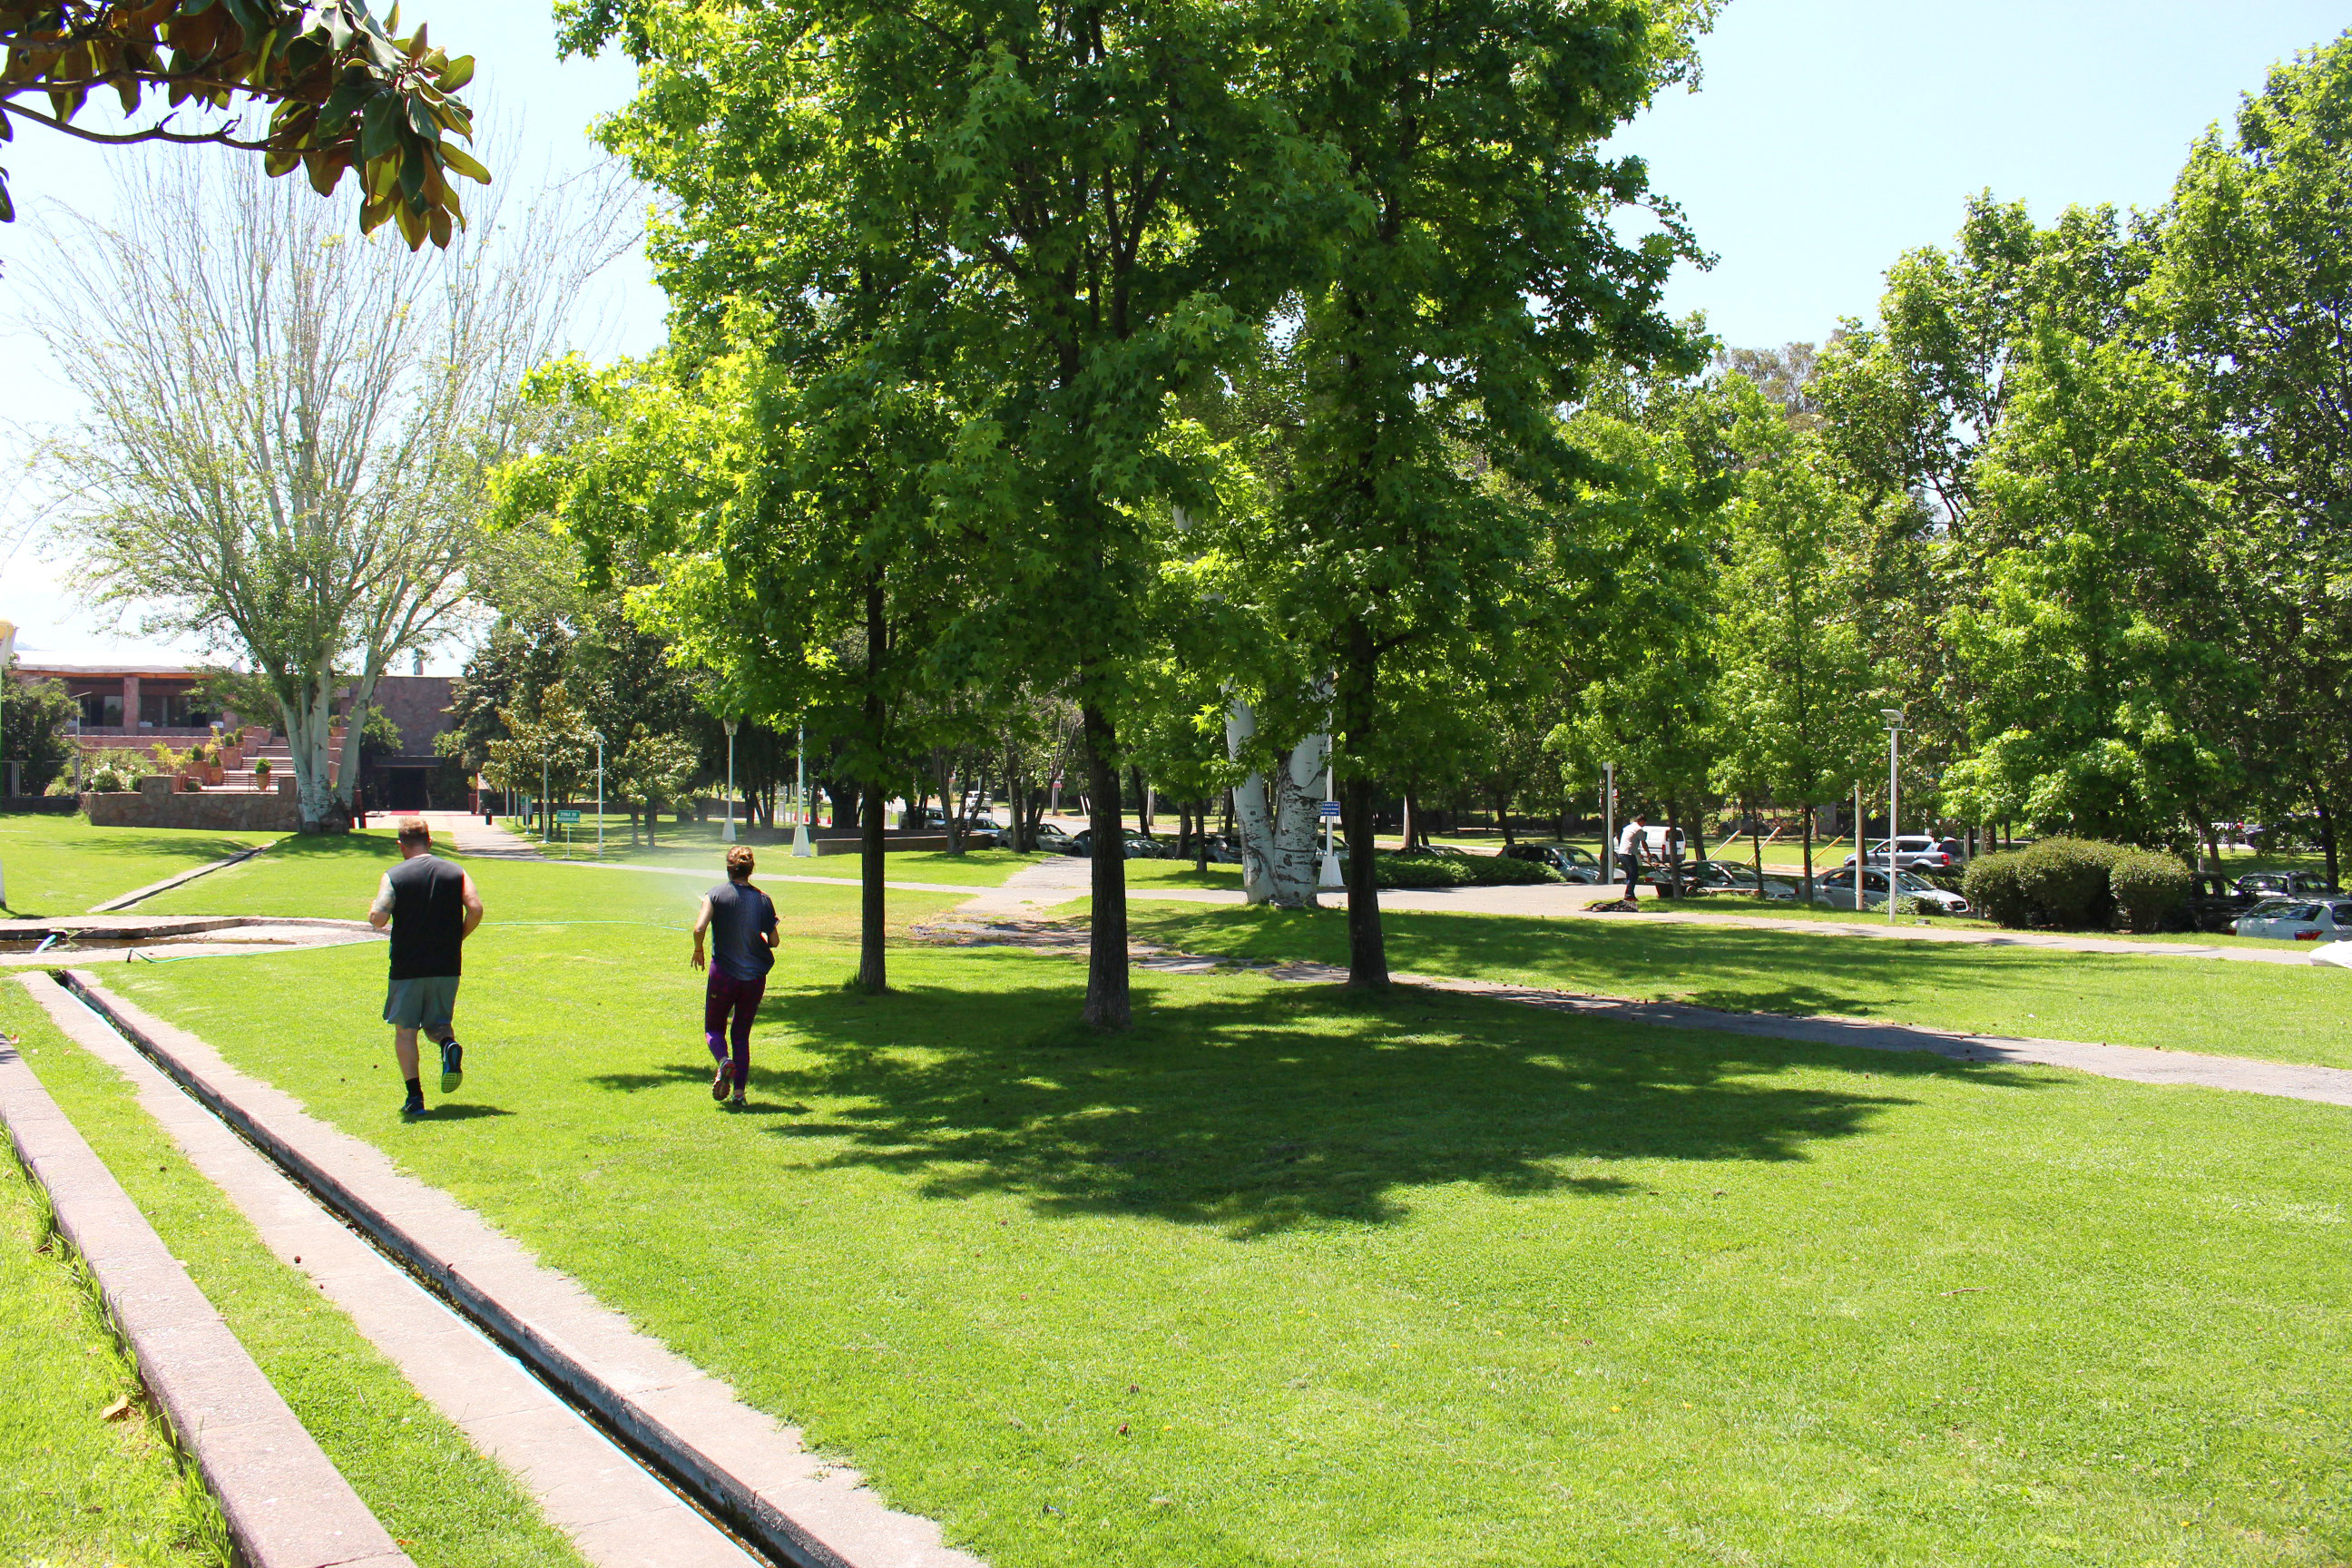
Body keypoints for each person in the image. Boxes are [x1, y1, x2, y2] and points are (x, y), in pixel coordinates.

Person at [368, 817, 484, 1118]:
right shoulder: (456, 871)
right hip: (447, 964)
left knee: (406, 1032)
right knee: (438, 1024)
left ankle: (415, 1099)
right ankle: (448, 1045)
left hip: (409, 965)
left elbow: (379, 916)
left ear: (400, 845)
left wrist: (374, 912)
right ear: (430, 841)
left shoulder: (393, 875)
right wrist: (457, 937)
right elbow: (475, 908)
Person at [691, 845, 778, 1109]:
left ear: (728, 868)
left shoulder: (715, 894)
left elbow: (699, 927)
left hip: (724, 975)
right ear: (751, 870)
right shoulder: (763, 899)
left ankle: (723, 1061)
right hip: (754, 978)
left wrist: (698, 949)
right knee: (741, 1034)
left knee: (714, 1028)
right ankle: (739, 1094)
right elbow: (773, 941)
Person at [1615, 812, 1647, 900]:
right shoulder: (1638, 829)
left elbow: (1631, 842)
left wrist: (1639, 854)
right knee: (1634, 875)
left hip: (1621, 853)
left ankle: (1630, 894)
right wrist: (1648, 853)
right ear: (1641, 821)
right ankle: (1629, 895)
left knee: (1630, 875)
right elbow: (1644, 843)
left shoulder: (1628, 827)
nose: (1644, 825)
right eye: (1644, 823)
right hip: (1628, 854)